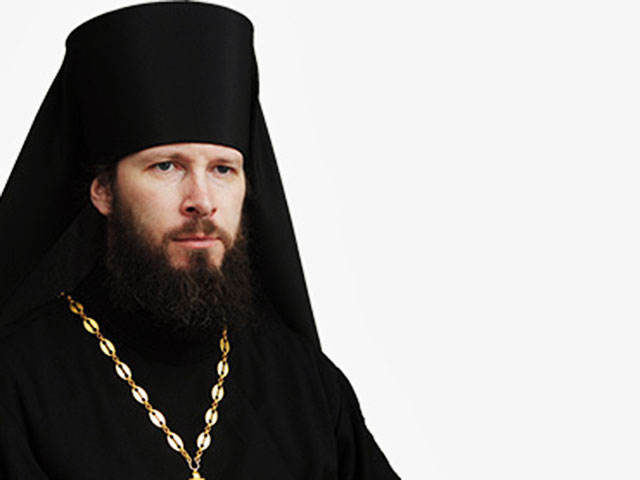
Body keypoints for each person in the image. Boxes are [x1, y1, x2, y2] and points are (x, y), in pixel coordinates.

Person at [0, 3, 400, 479]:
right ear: (104, 191)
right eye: (166, 166)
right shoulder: (15, 380)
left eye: (223, 169)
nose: (202, 201)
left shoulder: (306, 381)